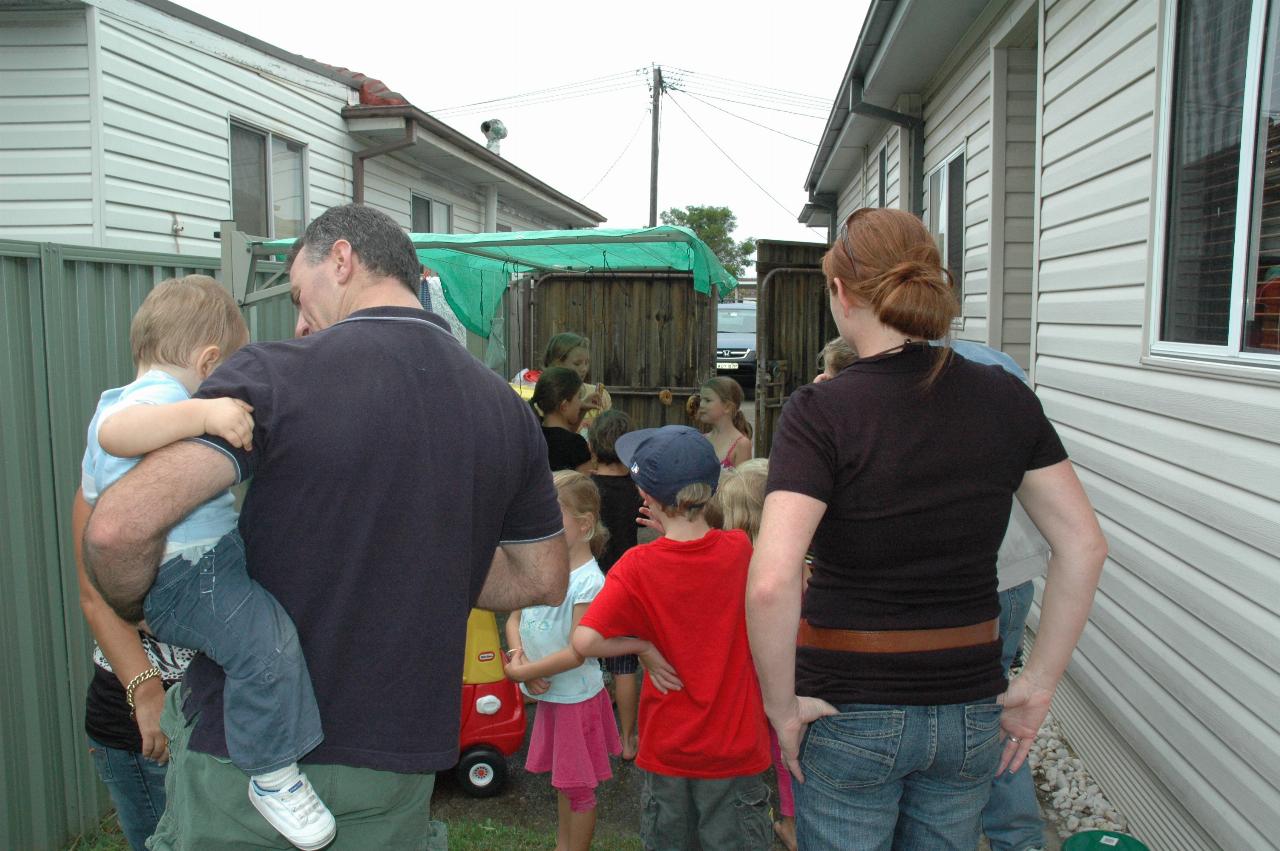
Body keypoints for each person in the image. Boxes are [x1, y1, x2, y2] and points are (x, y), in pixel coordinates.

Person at [83, 203, 570, 851]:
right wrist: (425, 552)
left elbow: (118, 527)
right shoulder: (503, 409)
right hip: (395, 765)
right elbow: (542, 575)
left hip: (244, 766)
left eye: (297, 293)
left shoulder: (274, 374)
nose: (298, 320)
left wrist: (138, 601)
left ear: (340, 259)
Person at [746, 207, 1107, 851]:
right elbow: (1083, 544)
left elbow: (772, 582)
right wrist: (1038, 684)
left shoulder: (819, 411)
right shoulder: (1005, 396)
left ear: (841, 291)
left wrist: (782, 709)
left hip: (848, 707)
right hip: (970, 706)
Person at [78, 276, 335, 849]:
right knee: (264, 649)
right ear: (209, 360)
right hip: (187, 572)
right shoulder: (155, 400)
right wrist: (206, 414)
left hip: (202, 563)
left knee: (264, 641)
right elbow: (118, 432)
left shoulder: (158, 398)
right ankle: (271, 775)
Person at [573, 425, 773, 851]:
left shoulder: (637, 566)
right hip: (734, 751)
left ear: (648, 497)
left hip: (669, 751)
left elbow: (585, 642)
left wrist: (642, 647)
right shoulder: (740, 551)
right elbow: (703, 563)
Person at [503, 471, 621, 851]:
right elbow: (514, 619)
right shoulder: (542, 568)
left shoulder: (589, 583)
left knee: (579, 789)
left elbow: (577, 651)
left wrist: (526, 672)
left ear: (583, 524)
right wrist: (520, 660)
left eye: (551, 518)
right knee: (564, 781)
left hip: (575, 701)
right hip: (552, 695)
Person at [715, 459, 798, 851]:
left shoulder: (728, 566)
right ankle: (792, 822)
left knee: (753, 749)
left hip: (745, 677)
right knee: (788, 751)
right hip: (790, 674)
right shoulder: (796, 563)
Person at [586, 410, 644, 760]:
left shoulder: (586, 488)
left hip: (590, 583)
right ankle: (626, 739)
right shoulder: (638, 487)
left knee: (589, 658)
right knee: (624, 665)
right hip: (626, 583)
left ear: (592, 446)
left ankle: (590, 733)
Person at [512, 332, 611, 426]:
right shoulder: (544, 399)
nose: (584, 369)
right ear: (556, 363)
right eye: (577, 363)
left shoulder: (599, 396)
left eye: (587, 362)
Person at [533, 366, 594, 473]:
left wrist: (581, 411)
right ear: (564, 405)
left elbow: (562, 433)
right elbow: (585, 487)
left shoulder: (534, 436)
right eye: (579, 397)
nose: (580, 403)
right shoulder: (576, 444)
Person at [698, 376, 752, 469]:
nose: (701, 404)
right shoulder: (701, 440)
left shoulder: (741, 445)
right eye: (701, 399)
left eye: (707, 400)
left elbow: (743, 482)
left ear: (727, 407)